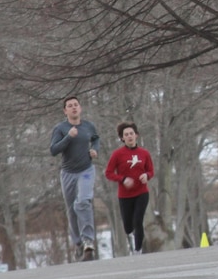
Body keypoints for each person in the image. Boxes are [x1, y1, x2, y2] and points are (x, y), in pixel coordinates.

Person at [49, 96, 100, 261]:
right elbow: (54, 150)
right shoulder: (61, 128)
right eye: (70, 106)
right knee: (72, 210)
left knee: (83, 202)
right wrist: (69, 137)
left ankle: (88, 242)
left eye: (76, 105)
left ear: (80, 108)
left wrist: (94, 150)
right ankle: (78, 243)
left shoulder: (88, 126)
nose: (73, 108)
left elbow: (96, 138)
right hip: (68, 173)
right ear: (65, 111)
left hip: (86, 170)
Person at [104, 122, 155, 255]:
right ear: (122, 138)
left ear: (136, 135)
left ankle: (138, 250)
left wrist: (146, 175)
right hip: (125, 195)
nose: (129, 136)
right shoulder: (117, 154)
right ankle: (133, 236)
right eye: (126, 135)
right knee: (128, 227)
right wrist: (123, 179)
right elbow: (108, 173)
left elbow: (151, 171)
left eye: (131, 133)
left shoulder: (144, 153)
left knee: (138, 220)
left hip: (142, 192)